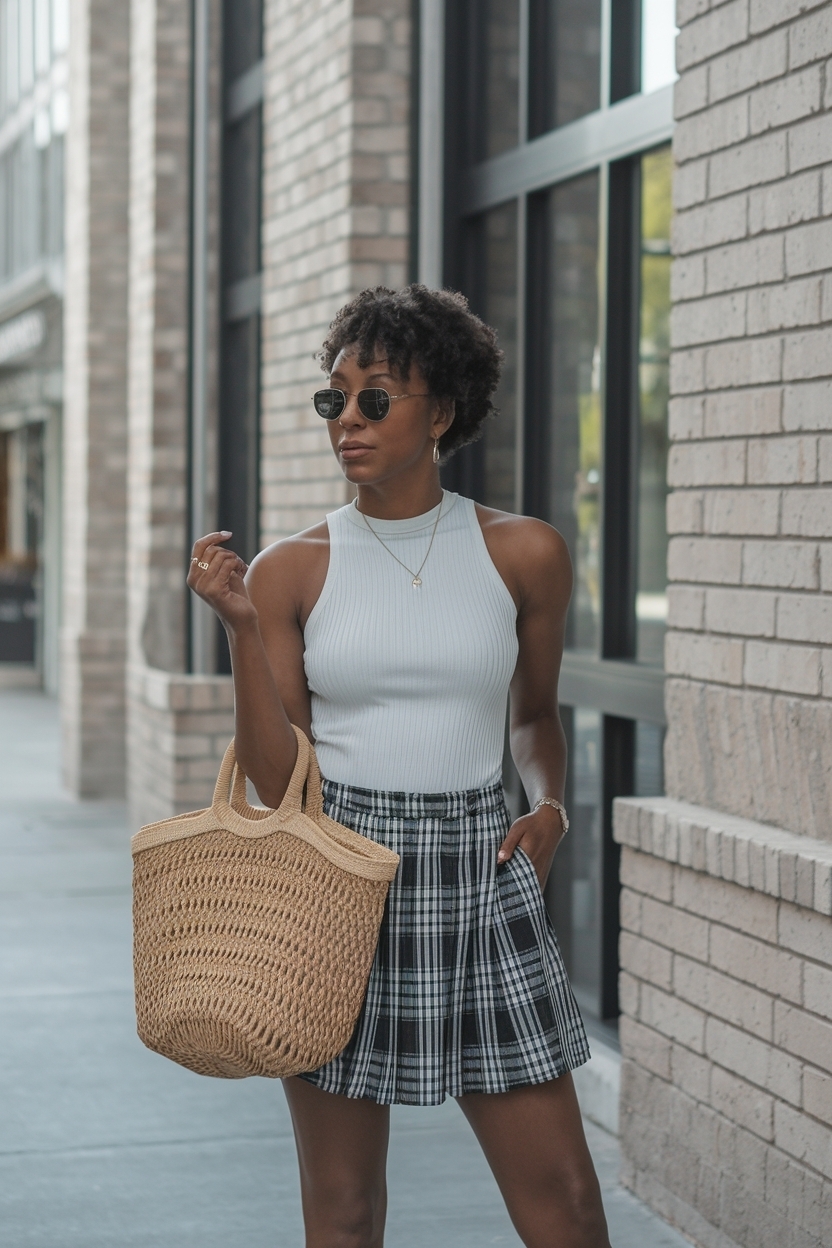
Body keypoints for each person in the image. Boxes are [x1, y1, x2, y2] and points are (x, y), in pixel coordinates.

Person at [187, 284, 612, 1248]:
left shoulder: (524, 554)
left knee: (569, 1204)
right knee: (343, 1212)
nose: (348, 420)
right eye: (333, 398)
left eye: (377, 397)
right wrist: (241, 629)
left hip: (481, 877)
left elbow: (535, 716)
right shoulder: (290, 569)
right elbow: (273, 777)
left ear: (444, 411)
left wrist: (550, 807)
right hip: (335, 882)